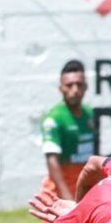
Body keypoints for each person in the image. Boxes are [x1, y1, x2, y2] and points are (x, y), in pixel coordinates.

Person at [41, 60, 95, 201]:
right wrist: (66, 197)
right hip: (60, 193)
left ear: (86, 87)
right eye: (69, 85)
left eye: (79, 85)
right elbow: (52, 159)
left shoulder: (89, 113)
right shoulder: (54, 118)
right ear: (61, 88)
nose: (75, 90)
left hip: (85, 189)